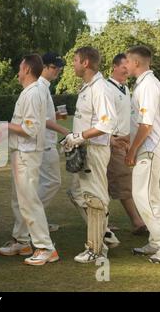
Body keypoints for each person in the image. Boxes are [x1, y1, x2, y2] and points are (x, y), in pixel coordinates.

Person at [0, 54, 59, 266]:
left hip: (27, 152)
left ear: (27, 70)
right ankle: (24, 243)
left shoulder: (32, 94)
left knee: (29, 202)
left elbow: (30, 129)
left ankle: (45, 247)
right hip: (21, 152)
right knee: (22, 201)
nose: (18, 71)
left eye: (20, 67)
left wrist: (6, 127)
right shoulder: (30, 92)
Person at [64, 47, 117, 263]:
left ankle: (96, 249)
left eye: (75, 60)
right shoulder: (87, 87)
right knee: (77, 193)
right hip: (84, 149)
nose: (73, 64)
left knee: (94, 198)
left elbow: (107, 123)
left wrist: (79, 136)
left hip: (93, 149)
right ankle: (104, 236)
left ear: (85, 63)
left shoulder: (100, 88)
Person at [125, 45, 160, 263]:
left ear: (136, 62)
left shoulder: (147, 85)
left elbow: (146, 125)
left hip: (149, 148)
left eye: (127, 61)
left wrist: (132, 150)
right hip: (150, 147)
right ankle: (158, 240)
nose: (125, 65)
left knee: (142, 195)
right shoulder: (146, 84)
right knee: (151, 195)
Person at [106, 53, 147, 235]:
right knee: (123, 182)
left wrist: (130, 140)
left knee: (110, 183)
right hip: (112, 142)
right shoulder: (107, 89)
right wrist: (111, 140)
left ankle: (103, 223)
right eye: (124, 66)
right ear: (114, 67)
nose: (127, 70)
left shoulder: (125, 88)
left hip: (123, 141)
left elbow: (127, 118)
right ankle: (137, 222)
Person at [38, 52, 70, 232]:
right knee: (52, 182)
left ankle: (37, 220)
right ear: (43, 67)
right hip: (43, 143)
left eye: (59, 67)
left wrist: (56, 117)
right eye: (53, 67)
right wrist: (66, 131)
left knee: (43, 183)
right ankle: (33, 219)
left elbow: (46, 116)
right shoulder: (40, 87)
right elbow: (40, 119)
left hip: (45, 142)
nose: (57, 70)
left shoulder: (44, 87)